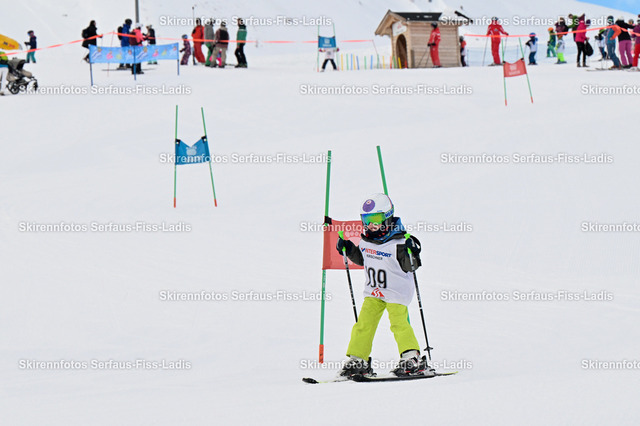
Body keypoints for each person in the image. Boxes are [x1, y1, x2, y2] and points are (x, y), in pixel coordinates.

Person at [335, 193, 430, 378]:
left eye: (376, 219)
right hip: (373, 292)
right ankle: (358, 360)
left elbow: (410, 266)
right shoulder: (366, 240)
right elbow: (363, 260)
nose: (371, 224)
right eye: (366, 220)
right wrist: (348, 248)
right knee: (364, 324)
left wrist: (412, 252)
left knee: (399, 324)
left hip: (396, 292)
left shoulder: (399, 242)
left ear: (387, 217)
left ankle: (411, 358)